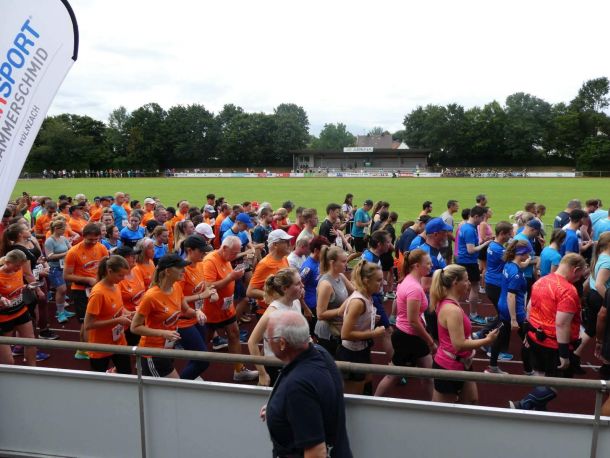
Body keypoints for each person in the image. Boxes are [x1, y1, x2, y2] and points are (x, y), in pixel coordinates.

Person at [261, 310, 352, 457]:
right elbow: (323, 395)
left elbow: (317, 452)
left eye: (268, 338)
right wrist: (280, 407)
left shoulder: (298, 386)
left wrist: (296, 400)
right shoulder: (320, 353)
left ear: (282, 343)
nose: (267, 341)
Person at [510, 253, 587, 411]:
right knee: (559, 382)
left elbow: (530, 308)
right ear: (575, 269)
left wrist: (527, 333)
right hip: (553, 345)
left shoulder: (541, 281)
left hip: (535, 338)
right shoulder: (568, 290)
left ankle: (538, 411)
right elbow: (562, 323)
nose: (579, 279)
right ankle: (523, 405)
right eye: (580, 275)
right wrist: (564, 354)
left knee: (541, 376)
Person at [430, 264, 498, 404]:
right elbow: (459, 344)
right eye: (466, 280)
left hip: (462, 363)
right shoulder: (452, 309)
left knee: (472, 400)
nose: (469, 283)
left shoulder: (450, 302)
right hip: (448, 366)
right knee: (443, 412)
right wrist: (487, 340)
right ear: (455, 282)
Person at [130, 253, 206, 378]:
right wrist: (163, 333)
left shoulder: (176, 287)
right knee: (174, 386)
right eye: (180, 268)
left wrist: (197, 312)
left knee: (164, 387)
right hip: (152, 352)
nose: (184, 270)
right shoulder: (151, 296)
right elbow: (135, 327)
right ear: (168, 271)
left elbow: (186, 310)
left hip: (168, 347)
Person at [375, 249, 436, 398]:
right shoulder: (414, 288)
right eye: (428, 263)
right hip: (409, 336)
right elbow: (413, 320)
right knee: (395, 374)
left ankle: (435, 403)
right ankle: (374, 399)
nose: (431, 266)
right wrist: (430, 340)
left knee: (426, 374)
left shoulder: (409, 280)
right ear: (416, 265)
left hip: (406, 334)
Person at [202, 236, 259, 381]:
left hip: (227, 308)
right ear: (225, 248)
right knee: (204, 340)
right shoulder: (210, 261)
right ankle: (194, 366)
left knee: (234, 333)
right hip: (211, 310)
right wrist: (231, 277)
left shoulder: (226, 258)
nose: (236, 256)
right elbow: (208, 286)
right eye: (234, 253)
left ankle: (239, 370)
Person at [335, 260, 386, 394]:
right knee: (355, 395)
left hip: (362, 349)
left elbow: (341, 311)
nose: (382, 283)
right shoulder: (358, 301)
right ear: (366, 281)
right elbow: (345, 334)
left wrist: (368, 318)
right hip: (352, 353)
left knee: (367, 383)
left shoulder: (365, 295)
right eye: (378, 280)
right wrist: (374, 333)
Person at [248, 268, 303, 386]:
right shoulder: (272, 313)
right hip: (276, 367)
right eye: (298, 284)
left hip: (295, 363)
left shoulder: (296, 303)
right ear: (285, 289)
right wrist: (262, 373)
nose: (302, 286)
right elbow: (252, 342)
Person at [486, 240, 532, 374]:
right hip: (514, 311)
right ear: (521, 253)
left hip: (503, 307)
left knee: (500, 336)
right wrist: (514, 319)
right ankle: (529, 370)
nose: (529, 255)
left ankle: (492, 366)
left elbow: (520, 265)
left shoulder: (508, 264)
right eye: (527, 253)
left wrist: (528, 261)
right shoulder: (516, 274)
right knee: (528, 339)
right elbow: (511, 296)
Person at [64, 223, 109, 360]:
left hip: (98, 289)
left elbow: (105, 268)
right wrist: (88, 280)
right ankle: (85, 350)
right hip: (80, 290)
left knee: (96, 319)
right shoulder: (73, 252)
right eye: (90, 239)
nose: (94, 242)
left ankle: (87, 347)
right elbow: (66, 276)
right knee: (86, 321)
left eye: (96, 239)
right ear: (83, 236)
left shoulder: (101, 248)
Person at [177, 236, 217, 380]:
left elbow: (203, 285)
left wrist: (211, 291)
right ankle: (180, 384)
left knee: (198, 355)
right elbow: (177, 299)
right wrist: (201, 296)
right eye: (201, 251)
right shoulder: (181, 271)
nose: (204, 254)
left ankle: (189, 379)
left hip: (197, 317)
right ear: (190, 250)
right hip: (183, 321)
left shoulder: (200, 265)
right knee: (203, 360)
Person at [84, 255, 132, 374]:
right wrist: (118, 321)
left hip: (119, 342)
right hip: (100, 346)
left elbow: (119, 308)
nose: (123, 279)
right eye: (120, 275)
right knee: (99, 380)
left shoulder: (116, 286)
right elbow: (88, 324)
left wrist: (130, 313)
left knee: (126, 374)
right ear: (109, 271)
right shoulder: (98, 293)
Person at [0, 250, 37, 366]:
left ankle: (33, 370)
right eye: (16, 266)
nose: (19, 268)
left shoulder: (19, 270)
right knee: (9, 361)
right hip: (4, 317)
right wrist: (1, 299)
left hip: (21, 311)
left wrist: (27, 286)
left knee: (31, 342)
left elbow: (18, 286)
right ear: (7, 262)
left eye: (20, 265)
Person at [456, 206, 492, 325]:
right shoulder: (470, 230)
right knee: (474, 287)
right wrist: (486, 244)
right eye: (481, 218)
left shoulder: (466, 226)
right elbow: (471, 250)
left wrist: (483, 241)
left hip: (464, 260)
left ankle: (463, 312)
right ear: (476, 216)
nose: (482, 221)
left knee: (463, 287)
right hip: (468, 261)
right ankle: (473, 314)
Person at [314, 246, 353, 355]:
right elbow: (320, 314)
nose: (346, 264)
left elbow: (355, 291)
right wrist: (341, 310)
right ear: (332, 263)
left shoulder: (340, 276)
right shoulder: (326, 284)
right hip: (328, 334)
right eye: (343, 261)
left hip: (339, 329)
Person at [247, 230, 292, 317]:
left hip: (282, 309)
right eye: (286, 242)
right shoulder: (265, 264)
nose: (289, 244)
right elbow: (250, 292)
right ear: (275, 245)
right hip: (268, 313)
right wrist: (277, 296)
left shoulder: (284, 259)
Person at [115, 245, 146, 346]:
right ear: (122, 260)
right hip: (127, 322)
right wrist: (131, 315)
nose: (134, 258)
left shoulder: (137, 270)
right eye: (131, 256)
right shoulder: (118, 279)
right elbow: (117, 303)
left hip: (140, 316)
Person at [44, 219, 73, 323]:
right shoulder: (49, 241)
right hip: (54, 268)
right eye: (63, 228)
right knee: (61, 289)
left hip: (64, 267)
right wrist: (65, 254)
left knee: (64, 290)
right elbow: (49, 256)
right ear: (56, 229)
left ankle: (62, 310)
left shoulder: (63, 238)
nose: (65, 230)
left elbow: (71, 249)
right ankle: (60, 313)